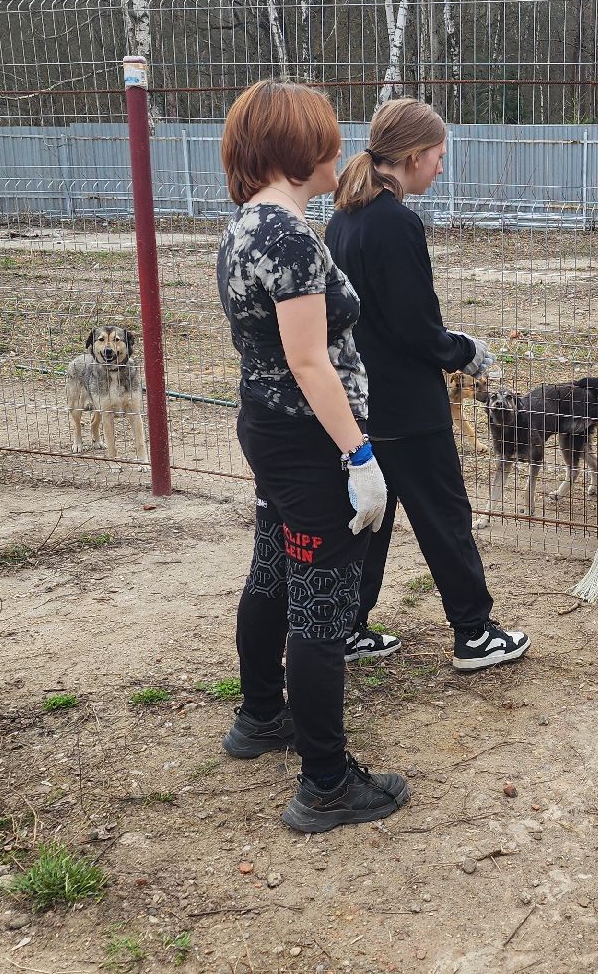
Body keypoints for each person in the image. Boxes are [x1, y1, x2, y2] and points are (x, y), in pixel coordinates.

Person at [214, 79, 409, 833]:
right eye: (328, 136)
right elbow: (309, 361)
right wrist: (358, 455)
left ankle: (263, 713)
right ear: (300, 151)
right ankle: (326, 781)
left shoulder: (244, 226)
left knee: (272, 570)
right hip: (309, 440)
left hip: (268, 428)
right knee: (323, 603)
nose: (341, 147)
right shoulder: (290, 239)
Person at [324, 98, 530, 672]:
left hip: (364, 399)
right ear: (413, 156)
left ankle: (346, 625)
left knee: (372, 519)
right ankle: (473, 633)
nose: (441, 167)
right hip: (411, 404)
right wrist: (462, 351)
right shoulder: (396, 223)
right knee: (444, 518)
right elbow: (416, 326)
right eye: (438, 156)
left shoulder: (345, 216)